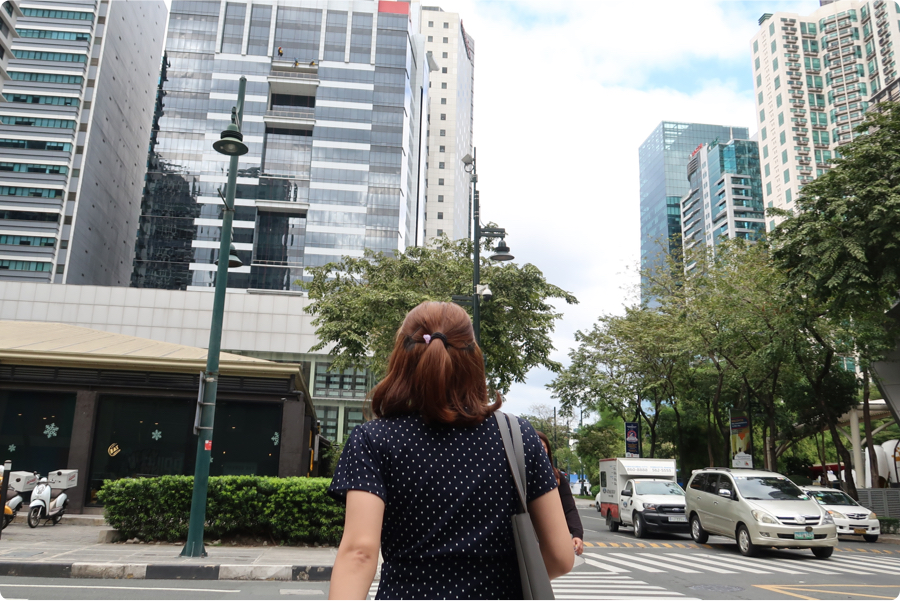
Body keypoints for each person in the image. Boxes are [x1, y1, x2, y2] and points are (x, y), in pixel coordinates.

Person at [328, 302, 574, 599]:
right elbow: (561, 556)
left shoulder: (373, 439)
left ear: (402, 358)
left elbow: (359, 554)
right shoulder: (518, 435)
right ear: (473, 359)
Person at [535, 430, 584, 556]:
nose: (540, 450)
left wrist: (577, 534)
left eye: (543, 447)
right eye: (536, 446)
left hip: (550, 537)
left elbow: (569, 508)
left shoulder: (556, 476)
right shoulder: (518, 476)